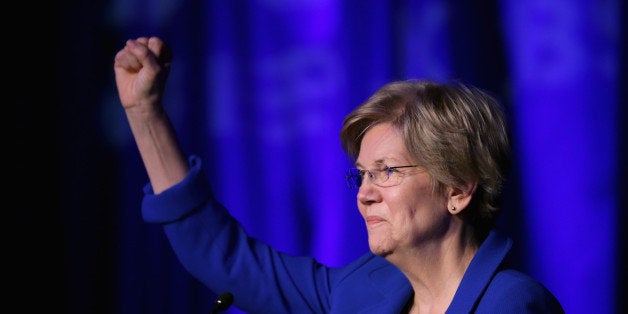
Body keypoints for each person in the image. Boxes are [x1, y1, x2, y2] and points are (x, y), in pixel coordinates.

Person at [114, 36, 564, 313]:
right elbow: (227, 261)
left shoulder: (512, 305)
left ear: (459, 188)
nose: (364, 195)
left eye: (386, 172)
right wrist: (145, 113)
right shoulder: (360, 292)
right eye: (362, 176)